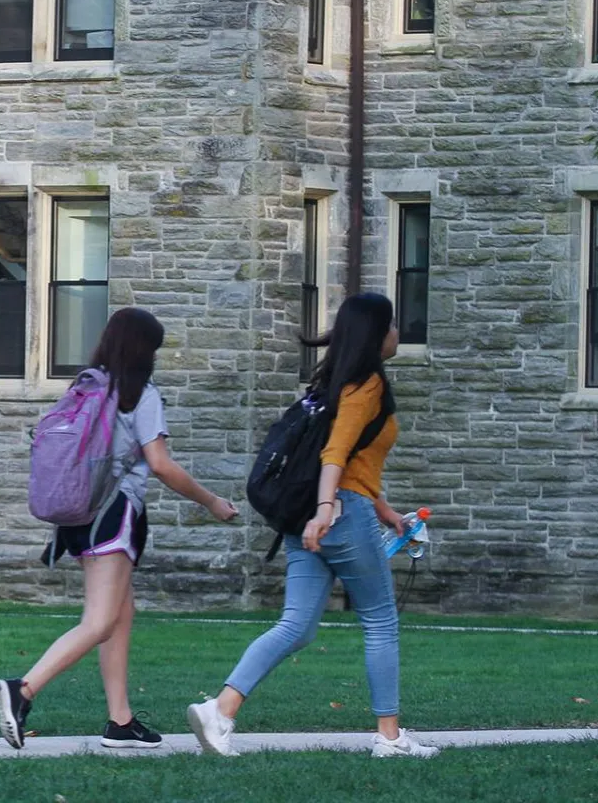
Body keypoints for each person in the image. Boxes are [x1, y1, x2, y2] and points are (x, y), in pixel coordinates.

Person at [187, 292, 439, 759]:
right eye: (392, 324)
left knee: (297, 626)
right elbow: (335, 455)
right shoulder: (366, 386)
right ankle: (390, 738)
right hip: (337, 514)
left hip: (312, 516)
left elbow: (353, 461)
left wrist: (385, 511)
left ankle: (220, 711)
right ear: (377, 332)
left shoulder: (332, 385)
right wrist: (327, 509)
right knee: (381, 621)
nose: (397, 332)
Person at [0, 307, 239, 750]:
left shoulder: (87, 386)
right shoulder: (138, 393)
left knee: (121, 616)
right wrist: (212, 502)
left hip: (80, 514)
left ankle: (120, 721)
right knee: (100, 620)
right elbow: (161, 465)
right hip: (114, 514)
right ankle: (22, 690)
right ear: (144, 350)